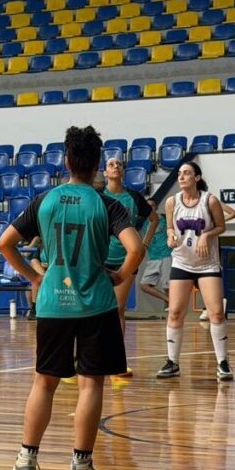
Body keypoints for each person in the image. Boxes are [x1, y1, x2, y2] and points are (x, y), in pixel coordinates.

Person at [0, 125, 143, 470]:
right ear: (96, 164)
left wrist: (35, 277)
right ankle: (81, 467)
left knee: (44, 382)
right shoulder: (106, 204)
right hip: (96, 304)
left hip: (53, 304)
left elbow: (4, 243)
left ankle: (25, 461)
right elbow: (136, 248)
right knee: (91, 385)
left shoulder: (45, 201)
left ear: (66, 160)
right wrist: (119, 275)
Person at [157, 162, 233, 381]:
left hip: (207, 264)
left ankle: (223, 363)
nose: (181, 177)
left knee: (216, 313)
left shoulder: (210, 200)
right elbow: (170, 227)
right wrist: (170, 236)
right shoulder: (172, 202)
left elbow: (221, 226)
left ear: (197, 178)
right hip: (182, 262)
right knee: (175, 312)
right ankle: (172, 362)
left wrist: (206, 235)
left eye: (187, 173)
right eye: (180, 174)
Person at [100, 157, 153, 375]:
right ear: (104, 172)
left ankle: (116, 359)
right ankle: (90, 356)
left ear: (123, 171)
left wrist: (144, 244)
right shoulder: (98, 196)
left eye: (119, 164)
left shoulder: (133, 197)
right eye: (111, 165)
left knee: (117, 308)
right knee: (96, 308)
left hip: (126, 258)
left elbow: (154, 219)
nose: (116, 167)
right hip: (101, 258)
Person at [138, 200, 171, 311]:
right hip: (153, 257)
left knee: (167, 286)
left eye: (152, 205)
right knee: (144, 285)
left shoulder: (165, 219)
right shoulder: (143, 222)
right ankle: (169, 301)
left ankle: (169, 309)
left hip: (167, 254)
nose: (150, 208)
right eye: (147, 206)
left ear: (156, 207)